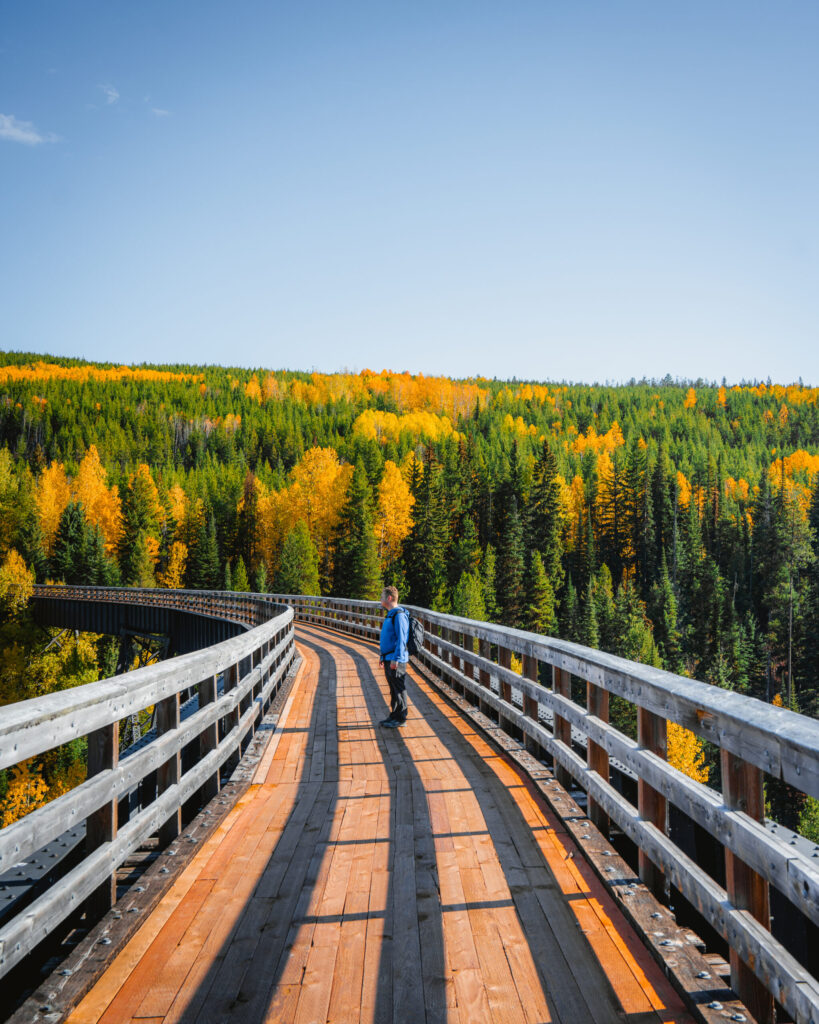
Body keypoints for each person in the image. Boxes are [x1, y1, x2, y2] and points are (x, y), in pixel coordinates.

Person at [378, 585, 409, 728]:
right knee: (393, 688)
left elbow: (402, 639)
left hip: (396, 659)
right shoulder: (391, 614)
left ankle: (401, 718)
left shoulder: (399, 615)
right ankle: (394, 715)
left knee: (398, 687)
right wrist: (382, 656)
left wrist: (396, 658)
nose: (380, 599)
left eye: (382, 596)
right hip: (388, 657)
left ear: (389, 598)